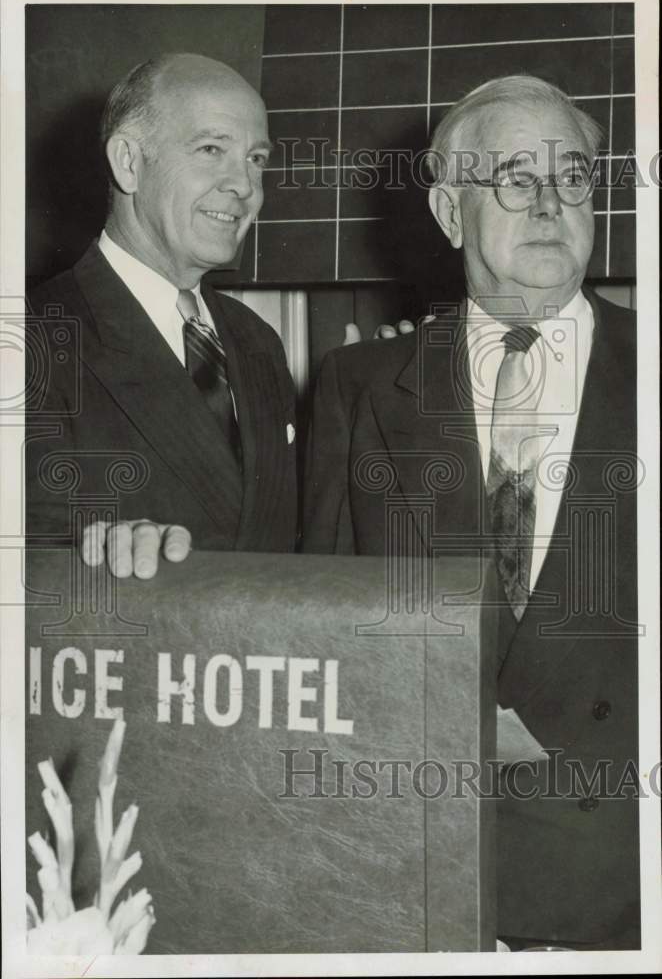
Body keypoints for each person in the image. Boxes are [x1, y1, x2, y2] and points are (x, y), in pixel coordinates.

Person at [303, 75, 639, 949]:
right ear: (451, 213)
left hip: (628, 885)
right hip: (420, 875)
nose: (550, 201)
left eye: (572, 177)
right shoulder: (362, 386)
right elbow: (320, 643)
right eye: (516, 178)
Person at [27, 53, 298, 576]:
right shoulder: (31, 338)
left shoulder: (257, 341)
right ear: (128, 161)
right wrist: (96, 554)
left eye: (256, 159)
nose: (244, 186)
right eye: (211, 149)